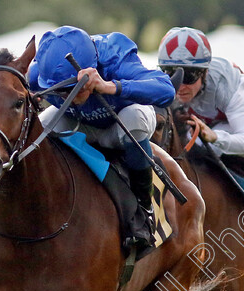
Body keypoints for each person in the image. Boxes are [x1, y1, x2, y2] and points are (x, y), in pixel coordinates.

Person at [28, 25, 176, 245]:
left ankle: (144, 209)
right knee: (41, 124)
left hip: (121, 125)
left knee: (133, 119)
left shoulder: (114, 56)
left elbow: (167, 90)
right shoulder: (37, 75)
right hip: (80, 125)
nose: (66, 96)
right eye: (60, 91)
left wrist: (110, 87)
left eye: (72, 89)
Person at [157, 26, 244, 161]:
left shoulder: (227, 86)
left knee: (205, 145)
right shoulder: (159, 83)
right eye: (171, 74)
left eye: (189, 76)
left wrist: (215, 137)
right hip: (193, 130)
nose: (180, 86)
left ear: (205, 73)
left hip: (227, 127)